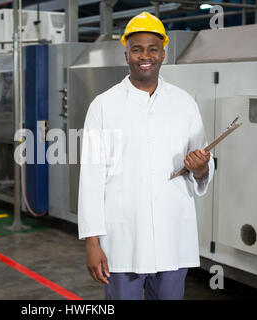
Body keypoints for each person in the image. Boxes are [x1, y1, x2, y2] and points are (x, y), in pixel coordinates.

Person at [77, 12, 214, 300]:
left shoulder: (184, 103)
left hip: (172, 236)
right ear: (126, 53)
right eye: (137, 49)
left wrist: (201, 168)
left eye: (153, 48)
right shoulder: (103, 106)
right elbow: (90, 178)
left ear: (164, 53)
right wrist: (92, 242)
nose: (145, 55)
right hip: (123, 239)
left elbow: (202, 166)